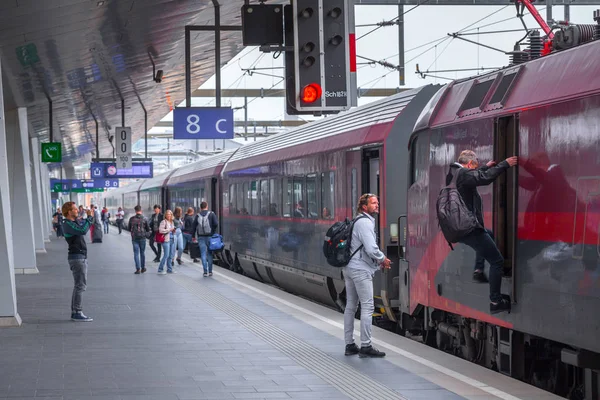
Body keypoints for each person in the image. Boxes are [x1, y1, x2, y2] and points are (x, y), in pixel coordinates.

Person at [446, 150, 518, 314]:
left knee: (489, 234)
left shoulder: (455, 173)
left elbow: (475, 177)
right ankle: (495, 301)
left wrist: (485, 167)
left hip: (461, 228)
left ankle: (479, 271)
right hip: (469, 229)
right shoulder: (463, 174)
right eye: (475, 167)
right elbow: (482, 179)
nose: (475, 170)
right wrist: (505, 164)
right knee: (497, 261)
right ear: (469, 164)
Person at [343, 194, 390, 358]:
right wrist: (383, 259)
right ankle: (366, 345)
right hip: (360, 269)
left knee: (351, 306)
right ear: (364, 206)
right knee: (368, 306)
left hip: (350, 267)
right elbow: (371, 248)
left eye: (377, 202)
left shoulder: (358, 221)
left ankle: (349, 344)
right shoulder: (364, 223)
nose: (377, 205)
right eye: (373, 203)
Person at [61, 201, 94, 322]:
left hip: (79, 257)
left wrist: (86, 218)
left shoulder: (71, 223)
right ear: (69, 212)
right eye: (75, 209)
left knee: (78, 285)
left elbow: (82, 226)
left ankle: (75, 311)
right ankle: (77, 312)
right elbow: (82, 231)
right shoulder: (67, 224)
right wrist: (89, 218)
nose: (77, 211)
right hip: (77, 258)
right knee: (80, 286)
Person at [193, 201, 219, 277]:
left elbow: (194, 226)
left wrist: (193, 236)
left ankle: (205, 272)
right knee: (210, 254)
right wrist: (213, 231)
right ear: (207, 206)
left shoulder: (198, 215)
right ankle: (210, 271)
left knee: (203, 254)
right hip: (210, 236)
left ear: (200, 208)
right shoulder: (211, 214)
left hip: (201, 237)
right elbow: (216, 224)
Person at [128, 205, 151, 274]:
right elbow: (148, 229)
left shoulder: (131, 219)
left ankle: (138, 269)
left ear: (135, 211)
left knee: (136, 254)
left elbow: (129, 228)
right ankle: (143, 268)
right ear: (141, 210)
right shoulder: (145, 219)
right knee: (142, 253)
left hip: (134, 238)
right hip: (142, 238)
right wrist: (146, 234)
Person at [157, 209, 176, 275]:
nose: (169, 216)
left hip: (172, 240)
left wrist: (173, 231)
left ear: (171, 215)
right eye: (167, 214)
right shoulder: (163, 222)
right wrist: (169, 229)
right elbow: (160, 230)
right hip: (166, 240)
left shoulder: (172, 222)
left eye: (170, 214)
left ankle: (169, 269)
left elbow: (171, 230)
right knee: (166, 255)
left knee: (171, 255)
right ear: (165, 215)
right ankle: (160, 269)